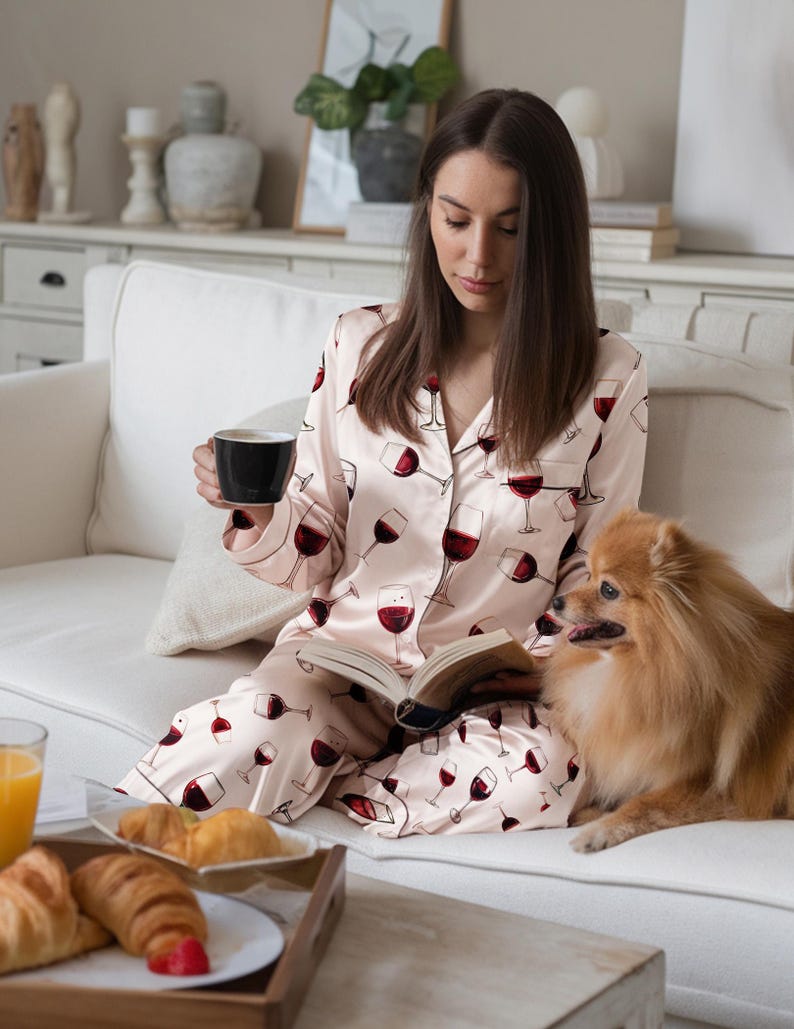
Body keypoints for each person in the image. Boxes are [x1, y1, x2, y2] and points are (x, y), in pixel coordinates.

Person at [118, 88, 648, 836]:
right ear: (426, 208)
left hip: (494, 695)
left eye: (510, 228)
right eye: (455, 220)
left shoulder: (608, 377)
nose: (477, 255)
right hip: (342, 667)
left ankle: (330, 783)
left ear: (552, 232)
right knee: (230, 744)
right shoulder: (357, 347)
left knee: (545, 778)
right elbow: (318, 544)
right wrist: (262, 513)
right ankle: (288, 776)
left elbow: (596, 571)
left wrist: (548, 660)